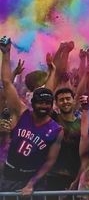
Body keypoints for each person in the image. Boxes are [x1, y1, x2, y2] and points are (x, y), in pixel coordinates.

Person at [0, 37, 64, 195]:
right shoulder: (21, 113)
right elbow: (7, 83)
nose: (44, 106)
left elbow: (50, 162)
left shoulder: (57, 130)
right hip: (7, 177)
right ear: (33, 103)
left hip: (33, 183)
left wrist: (31, 183)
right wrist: (6, 54)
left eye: (47, 103)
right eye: (40, 103)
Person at [46, 87, 81, 191]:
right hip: (53, 175)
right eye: (61, 100)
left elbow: (85, 155)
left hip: (74, 177)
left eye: (68, 98)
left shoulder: (82, 124)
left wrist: (78, 180)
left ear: (73, 100)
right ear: (56, 103)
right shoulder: (52, 119)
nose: (65, 102)